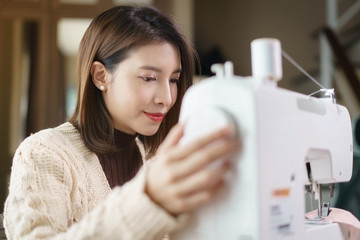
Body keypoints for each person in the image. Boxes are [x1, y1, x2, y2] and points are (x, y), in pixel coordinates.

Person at [3, 5, 239, 240]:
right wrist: (148, 200)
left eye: (174, 79)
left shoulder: (157, 161)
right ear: (100, 76)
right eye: (148, 78)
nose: (166, 98)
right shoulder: (45, 154)